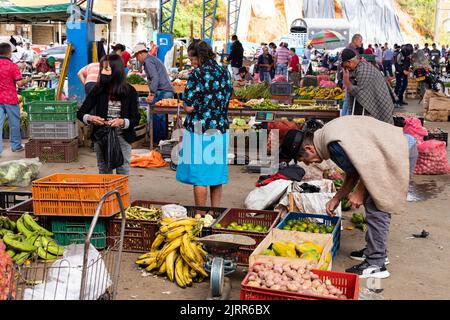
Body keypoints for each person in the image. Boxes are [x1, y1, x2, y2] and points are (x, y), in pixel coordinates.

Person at [279, 116, 415, 278]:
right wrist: (337, 198)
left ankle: (377, 263)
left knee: (377, 206)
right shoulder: (327, 140)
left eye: (304, 160)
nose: (308, 164)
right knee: (372, 202)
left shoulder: (334, 144)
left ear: (309, 149)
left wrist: (359, 192)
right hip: (390, 149)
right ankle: (375, 251)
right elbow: (353, 171)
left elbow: (371, 163)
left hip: (398, 151)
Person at [176, 40, 233, 207]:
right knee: (216, 175)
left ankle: (200, 214)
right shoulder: (224, 72)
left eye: (192, 59)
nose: (191, 63)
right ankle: (214, 213)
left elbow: (189, 107)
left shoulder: (197, 74)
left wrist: (190, 105)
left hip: (199, 130)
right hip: (220, 128)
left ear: (199, 57)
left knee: (200, 176)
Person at [77, 54, 140, 175]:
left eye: (106, 69)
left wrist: (122, 122)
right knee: (104, 170)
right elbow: (81, 113)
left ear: (116, 71)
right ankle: (107, 194)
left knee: (123, 169)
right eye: (102, 68)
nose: (102, 72)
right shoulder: (98, 89)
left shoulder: (130, 91)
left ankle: (120, 194)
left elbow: (136, 118)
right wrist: (90, 118)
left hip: (123, 137)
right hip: (101, 136)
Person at [133, 43, 174, 144]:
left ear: (140, 54)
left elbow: (155, 77)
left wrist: (152, 94)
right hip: (165, 90)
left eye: (137, 57)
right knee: (159, 115)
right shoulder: (152, 59)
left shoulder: (148, 61)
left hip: (163, 91)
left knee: (156, 114)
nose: (138, 59)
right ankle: (161, 140)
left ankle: (157, 141)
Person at [341, 49, 394, 124]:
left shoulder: (363, 70)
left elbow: (361, 94)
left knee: (380, 128)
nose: (347, 70)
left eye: (346, 66)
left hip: (381, 104)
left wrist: (347, 81)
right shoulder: (360, 66)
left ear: (350, 62)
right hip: (378, 103)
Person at [0, 43, 32, 155]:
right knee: (14, 123)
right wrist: (27, 80)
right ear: (9, 53)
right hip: (10, 99)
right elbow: (20, 83)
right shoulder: (12, 66)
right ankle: (16, 146)